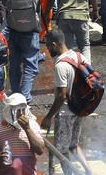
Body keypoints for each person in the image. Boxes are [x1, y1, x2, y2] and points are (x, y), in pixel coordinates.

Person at [1, 0, 56, 102]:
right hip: (31, 29)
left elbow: (3, 0)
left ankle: (16, 97)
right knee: (31, 66)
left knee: (15, 65)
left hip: (12, 28)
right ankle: (24, 97)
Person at [40, 29, 92, 175]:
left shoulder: (60, 65)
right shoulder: (79, 56)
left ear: (55, 44)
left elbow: (61, 95)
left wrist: (49, 117)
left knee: (61, 151)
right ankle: (89, 172)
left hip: (65, 113)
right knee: (73, 145)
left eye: (48, 46)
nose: (48, 49)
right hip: (79, 109)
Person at [0, 95, 45, 175]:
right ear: (9, 111)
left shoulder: (33, 126)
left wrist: (27, 129)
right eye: (17, 110)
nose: (21, 114)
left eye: (23, 109)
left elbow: (40, 150)